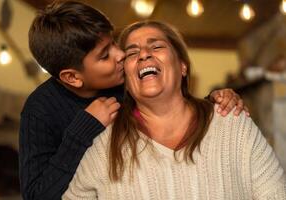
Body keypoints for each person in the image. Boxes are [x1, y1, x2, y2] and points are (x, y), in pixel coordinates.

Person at [19, 1, 247, 199]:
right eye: (105, 55)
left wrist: (212, 102)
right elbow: (37, 194)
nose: (121, 55)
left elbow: (173, 108)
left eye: (114, 43)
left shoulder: (125, 79)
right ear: (72, 77)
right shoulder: (39, 110)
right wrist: (83, 129)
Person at [62, 21, 286, 199]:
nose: (144, 54)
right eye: (132, 53)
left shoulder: (232, 122)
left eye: (156, 46)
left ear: (182, 66)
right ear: (127, 81)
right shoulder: (105, 144)